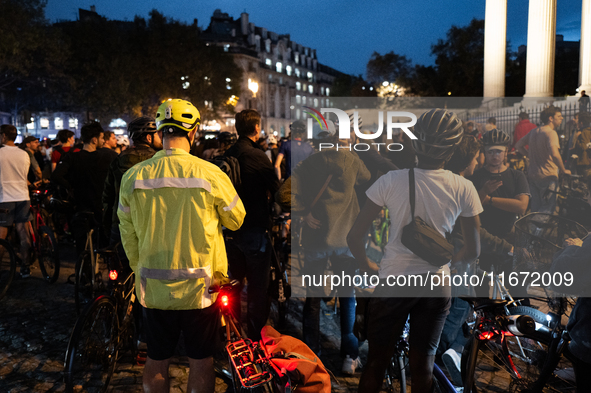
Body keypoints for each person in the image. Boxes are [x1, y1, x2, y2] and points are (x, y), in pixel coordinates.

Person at [347, 109, 482, 393]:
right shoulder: (464, 188)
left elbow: (354, 236)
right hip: (436, 284)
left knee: (376, 362)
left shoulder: (391, 180)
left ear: (414, 142)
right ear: (453, 147)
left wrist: (367, 265)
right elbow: (473, 249)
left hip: (395, 280)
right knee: (423, 367)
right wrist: (449, 263)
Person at [118, 99, 245, 393]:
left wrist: (139, 268)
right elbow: (236, 220)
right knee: (201, 361)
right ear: (195, 131)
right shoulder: (211, 174)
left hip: (153, 286)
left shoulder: (133, 176)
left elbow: (127, 231)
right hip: (201, 289)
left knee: (156, 358)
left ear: (159, 131)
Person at [291, 120, 371, 375]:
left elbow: (286, 192)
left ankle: (311, 353)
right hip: (345, 241)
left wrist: (303, 213)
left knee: (313, 298)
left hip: (316, 240)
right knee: (347, 297)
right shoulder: (350, 161)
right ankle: (349, 356)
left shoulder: (309, 164)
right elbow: (368, 178)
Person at [224, 109, 279, 341]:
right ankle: (255, 339)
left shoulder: (227, 155)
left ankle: (234, 335)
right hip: (255, 229)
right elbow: (276, 189)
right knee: (258, 288)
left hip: (229, 231)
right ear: (256, 128)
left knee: (233, 285)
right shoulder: (258, 156)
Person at [102, 116, 163, 259]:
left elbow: (107, 197)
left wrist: (108, 226)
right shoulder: (160, 162)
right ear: (149, 138)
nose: (161, 138)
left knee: (118, 267)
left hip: (121, 224)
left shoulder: (118, 160)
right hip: (152, 227)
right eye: (158, 134)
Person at [52, 121, 116, 252]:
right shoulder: (108, 156)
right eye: (102, 138)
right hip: (101, 208)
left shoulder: (72, 157)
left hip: (80, 207)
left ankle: (83, 269)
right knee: (107, 248)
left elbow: (56, 176)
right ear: (94, 139)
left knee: (82, 250)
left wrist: (70, 186)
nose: (103, 141)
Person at [470, 129, 530, 241]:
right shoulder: (475, 176)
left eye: (498, 151)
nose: (494, 156)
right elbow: (469, 207)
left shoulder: (517, 176)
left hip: (508, 234)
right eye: (490, 152)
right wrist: (484, 191)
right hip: (482, 235)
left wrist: (489, 200)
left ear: (506, 151)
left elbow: (521, 206)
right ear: (484, 152)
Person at [515, 105, 571, 214]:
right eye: (559, 116)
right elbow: (555, 154)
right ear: (551, 118)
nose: (562, 118)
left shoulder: (534, 132)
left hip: (533, 175)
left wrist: (529, 155)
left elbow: (518, 145)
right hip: (548, 176)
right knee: (547, 210)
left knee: (536, 208)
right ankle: (539, 230)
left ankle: (533, 229)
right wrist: (563, 170)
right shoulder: (551, 133)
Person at [0, 125, 33, 277]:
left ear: (4, 136)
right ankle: (25, 267)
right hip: (23, 196)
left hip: (4, 197)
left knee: (2, 233)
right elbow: (25, 176)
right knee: (23, 231)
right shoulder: (24, 154)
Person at [571, 112, 591, 176]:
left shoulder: (584, 132)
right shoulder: (588, 130)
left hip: (583, 161)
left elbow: (584, 146)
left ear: (581, 123)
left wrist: (577, 139)